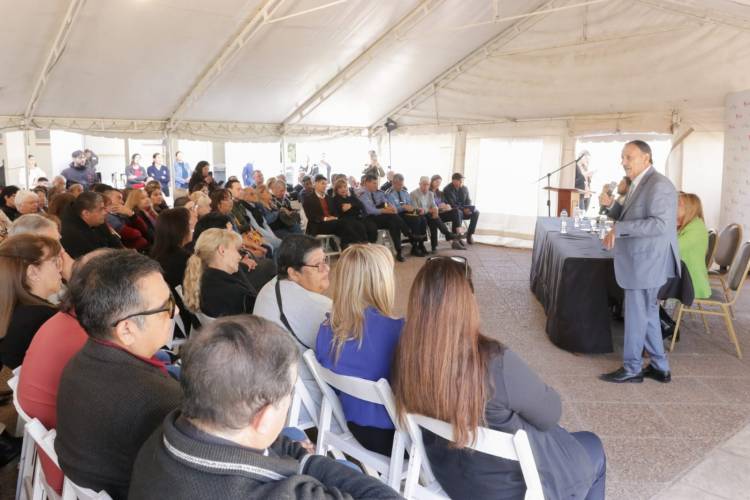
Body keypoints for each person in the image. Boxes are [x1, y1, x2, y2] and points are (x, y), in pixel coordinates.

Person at [392, 257, 606, 500]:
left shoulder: (406, 355)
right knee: (593, 446)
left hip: (452, 477)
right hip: (511, 488)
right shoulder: (494, 362)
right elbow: (550, 415)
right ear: (467, 304)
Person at [129, 315, 400, 500]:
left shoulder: (163, 435)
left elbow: (286, 447)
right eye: (288, 396)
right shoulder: (282, 493)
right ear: (264, 418)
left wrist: (302, 460)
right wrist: (304, 464)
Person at [54, 251, 182, 499]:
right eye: (167, 306)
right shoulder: (162, 401)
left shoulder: (80, 361)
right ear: (127, 329)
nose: (175, 312)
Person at [16, 248, 114, 494]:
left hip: (60, 457)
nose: (61, 266)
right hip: (78, 474)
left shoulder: (63, 321)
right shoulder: (86, 343)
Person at [601, 140, 680, 383]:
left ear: (646, 158)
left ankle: (633, 368)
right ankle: (659, 366)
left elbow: (660, 224)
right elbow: (629, 215)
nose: (623, 162)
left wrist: (620, 229)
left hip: (648, 261)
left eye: (629, 157)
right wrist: (611, 206)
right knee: (647, 314)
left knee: (637, 315)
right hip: (642, 260)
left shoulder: (660, 185)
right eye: (623, 157)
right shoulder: (640, 182)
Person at [315, 245, 403, 456]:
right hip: (396, 437)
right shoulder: (398, 330)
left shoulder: (327, 329)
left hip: (354, 426)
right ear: (381, 282)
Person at [254, 235, 332, 421]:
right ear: (293, 273)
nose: (326, 268)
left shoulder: (270, 287)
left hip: (269, 391)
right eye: (317, 265)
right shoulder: (319, 307)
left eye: (325, 260)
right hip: (298, 401)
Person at [0, 235, 62, 369]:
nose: (60, 269)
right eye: (55, 262)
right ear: (33, 272)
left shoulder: (10, 309)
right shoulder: (44, 318)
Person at [183, 228, 258, 317]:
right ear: (222, 251)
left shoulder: (199, 281)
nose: (239, 256)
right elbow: (258, 313)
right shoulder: (236, 294)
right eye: (236, 250)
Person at [359, 174, 415, 262]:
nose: (376, 185)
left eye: (377, 183)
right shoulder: (362, 195)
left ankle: (399, 251)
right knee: (392, 217)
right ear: (366, 183)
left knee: (394, 222)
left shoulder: (380, 193)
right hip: (369, 218)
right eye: (374, 183)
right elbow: (371, 210)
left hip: (381, 217)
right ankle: (409, 234)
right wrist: (386, 210)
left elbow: (386, 203)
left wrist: (390, 207)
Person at [302, 175, 367, 248]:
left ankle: (350, 247)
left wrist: (335, 217)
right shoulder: (308, 199)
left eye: (326, 184)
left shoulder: (329, 198)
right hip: (318, 225)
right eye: (322, 183)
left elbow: (335, 212)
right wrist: (326, 218)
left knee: (350, 226)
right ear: (315, 184)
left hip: (333, 223)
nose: (325, 186)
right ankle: (357, 246)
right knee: (345, 224)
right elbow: (311, 216)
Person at [60, 192, 123, 259]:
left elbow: (116, 245)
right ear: (86, 213)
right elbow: (93, 264)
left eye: (104, 208)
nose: (105, 212)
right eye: (101, 209)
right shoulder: (72, 235)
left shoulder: (97, 221)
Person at [411, 176, 463, 251]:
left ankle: (452, 237)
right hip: (420, 216)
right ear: (419, 184)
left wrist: (436, 209)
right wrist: (431, 210)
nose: (426, 186)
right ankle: (447, 234)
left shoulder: (431, 194)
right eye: (424, 184)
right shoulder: (413, 194)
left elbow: (434, 205)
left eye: (427, 184)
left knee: (454, 212)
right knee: (433, 219)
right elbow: (416, 210)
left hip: (433, 214)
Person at [676, 192, 711, 299]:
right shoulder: (688, 226)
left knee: (646, 282)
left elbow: (673, 248)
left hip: (691, 283)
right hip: (683, 277)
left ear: (688, 208)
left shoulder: (696, 228)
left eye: (677, 204)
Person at [386, 173, 428, 256]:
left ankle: (421, 244)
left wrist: (414, 208)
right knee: (416, 220)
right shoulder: (388, 193)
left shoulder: (404, 192)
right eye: (399, 185)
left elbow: (410, 204)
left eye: (402, 184)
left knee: (423, 218)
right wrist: (403, 207)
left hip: (408, 212)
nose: (401, 187)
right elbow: (392, 210)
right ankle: (415, 247)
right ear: (393, 183)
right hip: (397, 215)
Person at [331, 178, 377, 243]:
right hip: (346, 220)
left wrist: (351, 205)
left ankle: (371, 245)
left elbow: (361, 205)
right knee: (360, 227)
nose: (343, 189)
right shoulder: (335, 199)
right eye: (340, 188)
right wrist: (353, 206)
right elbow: (343, 209)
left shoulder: (351, 197)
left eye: (345, 187)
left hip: (357, 218)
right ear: (336, 190)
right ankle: (363, 246)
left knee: (371, 226)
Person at [443, 173, 479, 244]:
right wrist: (463, 210)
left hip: (464, 211)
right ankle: (458, 236)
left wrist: (469, 208)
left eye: (462, 180)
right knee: (458, 212)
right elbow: (452, 204)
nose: (461, 182)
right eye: (460, 180)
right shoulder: (447, 189)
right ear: (453, 180)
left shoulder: (464, 188)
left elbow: (468, 200)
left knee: (476, 212)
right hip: (453, 212)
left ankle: (469, 234)